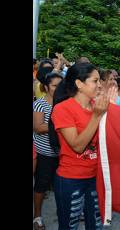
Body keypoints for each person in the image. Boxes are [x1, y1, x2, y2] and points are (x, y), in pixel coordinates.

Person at [49, 63, 116, 229]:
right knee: (69, 226)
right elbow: (77, 146)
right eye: (95, 81)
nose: (99, 85)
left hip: (96, 177)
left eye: (100, 80)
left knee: (96, 226)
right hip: (71, 179)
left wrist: (112, 111)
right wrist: (97, 116)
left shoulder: (98, 106)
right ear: (79, 84)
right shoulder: (62, 109)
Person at [33, 72, 63, 230]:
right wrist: (60, 123)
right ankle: (37, 215)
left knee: (61, 186)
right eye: (54, 86)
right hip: (44, 153)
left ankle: (63, 212)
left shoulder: (64, 102)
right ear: (46, 87)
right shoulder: (40, 104)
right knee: (41, 185)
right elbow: (37, 128)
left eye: (60, 85)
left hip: (62, 153)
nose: (57, 89)